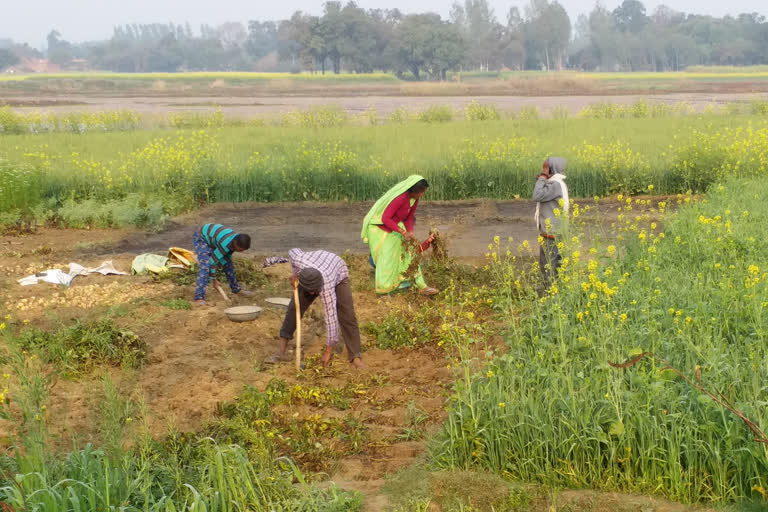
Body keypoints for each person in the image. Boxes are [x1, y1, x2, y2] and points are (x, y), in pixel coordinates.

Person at [262, 249, 365, 369]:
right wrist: (294, 274)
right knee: (294, 308)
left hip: (338, 272)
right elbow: (292, 251)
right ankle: (280, 351)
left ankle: (355, 357)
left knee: (347, 314)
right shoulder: (298, 260)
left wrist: (327, 351)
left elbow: (331, 318)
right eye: (309, 291)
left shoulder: (326, 286)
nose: (312, 293)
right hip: (315, 265)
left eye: (314, 291)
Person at [361, 175, 438, 296]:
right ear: (414, 191)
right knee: (387, 259)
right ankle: (383, 292)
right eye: (421, 192)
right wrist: (403, 232)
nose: (422, 195)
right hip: (381, 228)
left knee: (411, 253)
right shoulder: (400, 199)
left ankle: (422, 286)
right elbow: (385, 218)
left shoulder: (415, 199)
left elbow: (409, 217)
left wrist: (410, 232)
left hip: (396, 226)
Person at [193, 223, 254, 306]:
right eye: (240, 249)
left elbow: (224, 259)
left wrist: (217, 269)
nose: (241, 251)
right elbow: (212, 261)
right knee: (205, 266)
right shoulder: (225, 244)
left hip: (214, 239)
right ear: (235, 243)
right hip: (202, 237)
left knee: (228, 264)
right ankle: (199, 298)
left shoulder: (234, 241)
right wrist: (214, 280)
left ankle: (237, 290)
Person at [533, 157, 569, 289]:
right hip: (556, 231)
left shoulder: (555, 185)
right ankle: (557, 291)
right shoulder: (557, 183)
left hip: (552, 232)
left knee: (548, 264)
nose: (543, 170)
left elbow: (537, 195)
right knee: (556, 264)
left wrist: (543, 177)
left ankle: (549, 294)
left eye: (545, 168)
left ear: (552, 169)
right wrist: (543, 179)